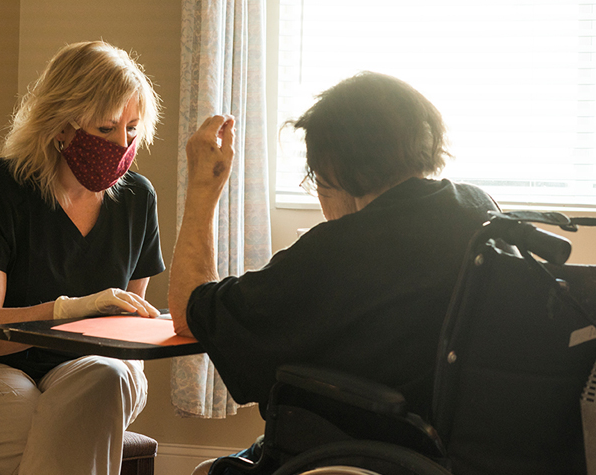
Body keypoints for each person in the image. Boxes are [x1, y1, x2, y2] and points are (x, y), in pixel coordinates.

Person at [168, 72, 500, 473]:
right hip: (454, 453)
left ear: (333, 165)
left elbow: (190, 309)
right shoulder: (481, 211)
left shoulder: (339, 248)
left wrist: (203, 191)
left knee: (208, 470)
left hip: (366, 450)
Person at [0, 40, 165, 475]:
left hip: (81, 373)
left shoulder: (138, 200)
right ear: (61, 124)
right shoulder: (3, 187)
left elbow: (125, 337)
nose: (121, 144)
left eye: (132, 129)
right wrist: (70, 312)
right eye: (105, 130)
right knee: (62, 430)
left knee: (111, 377)